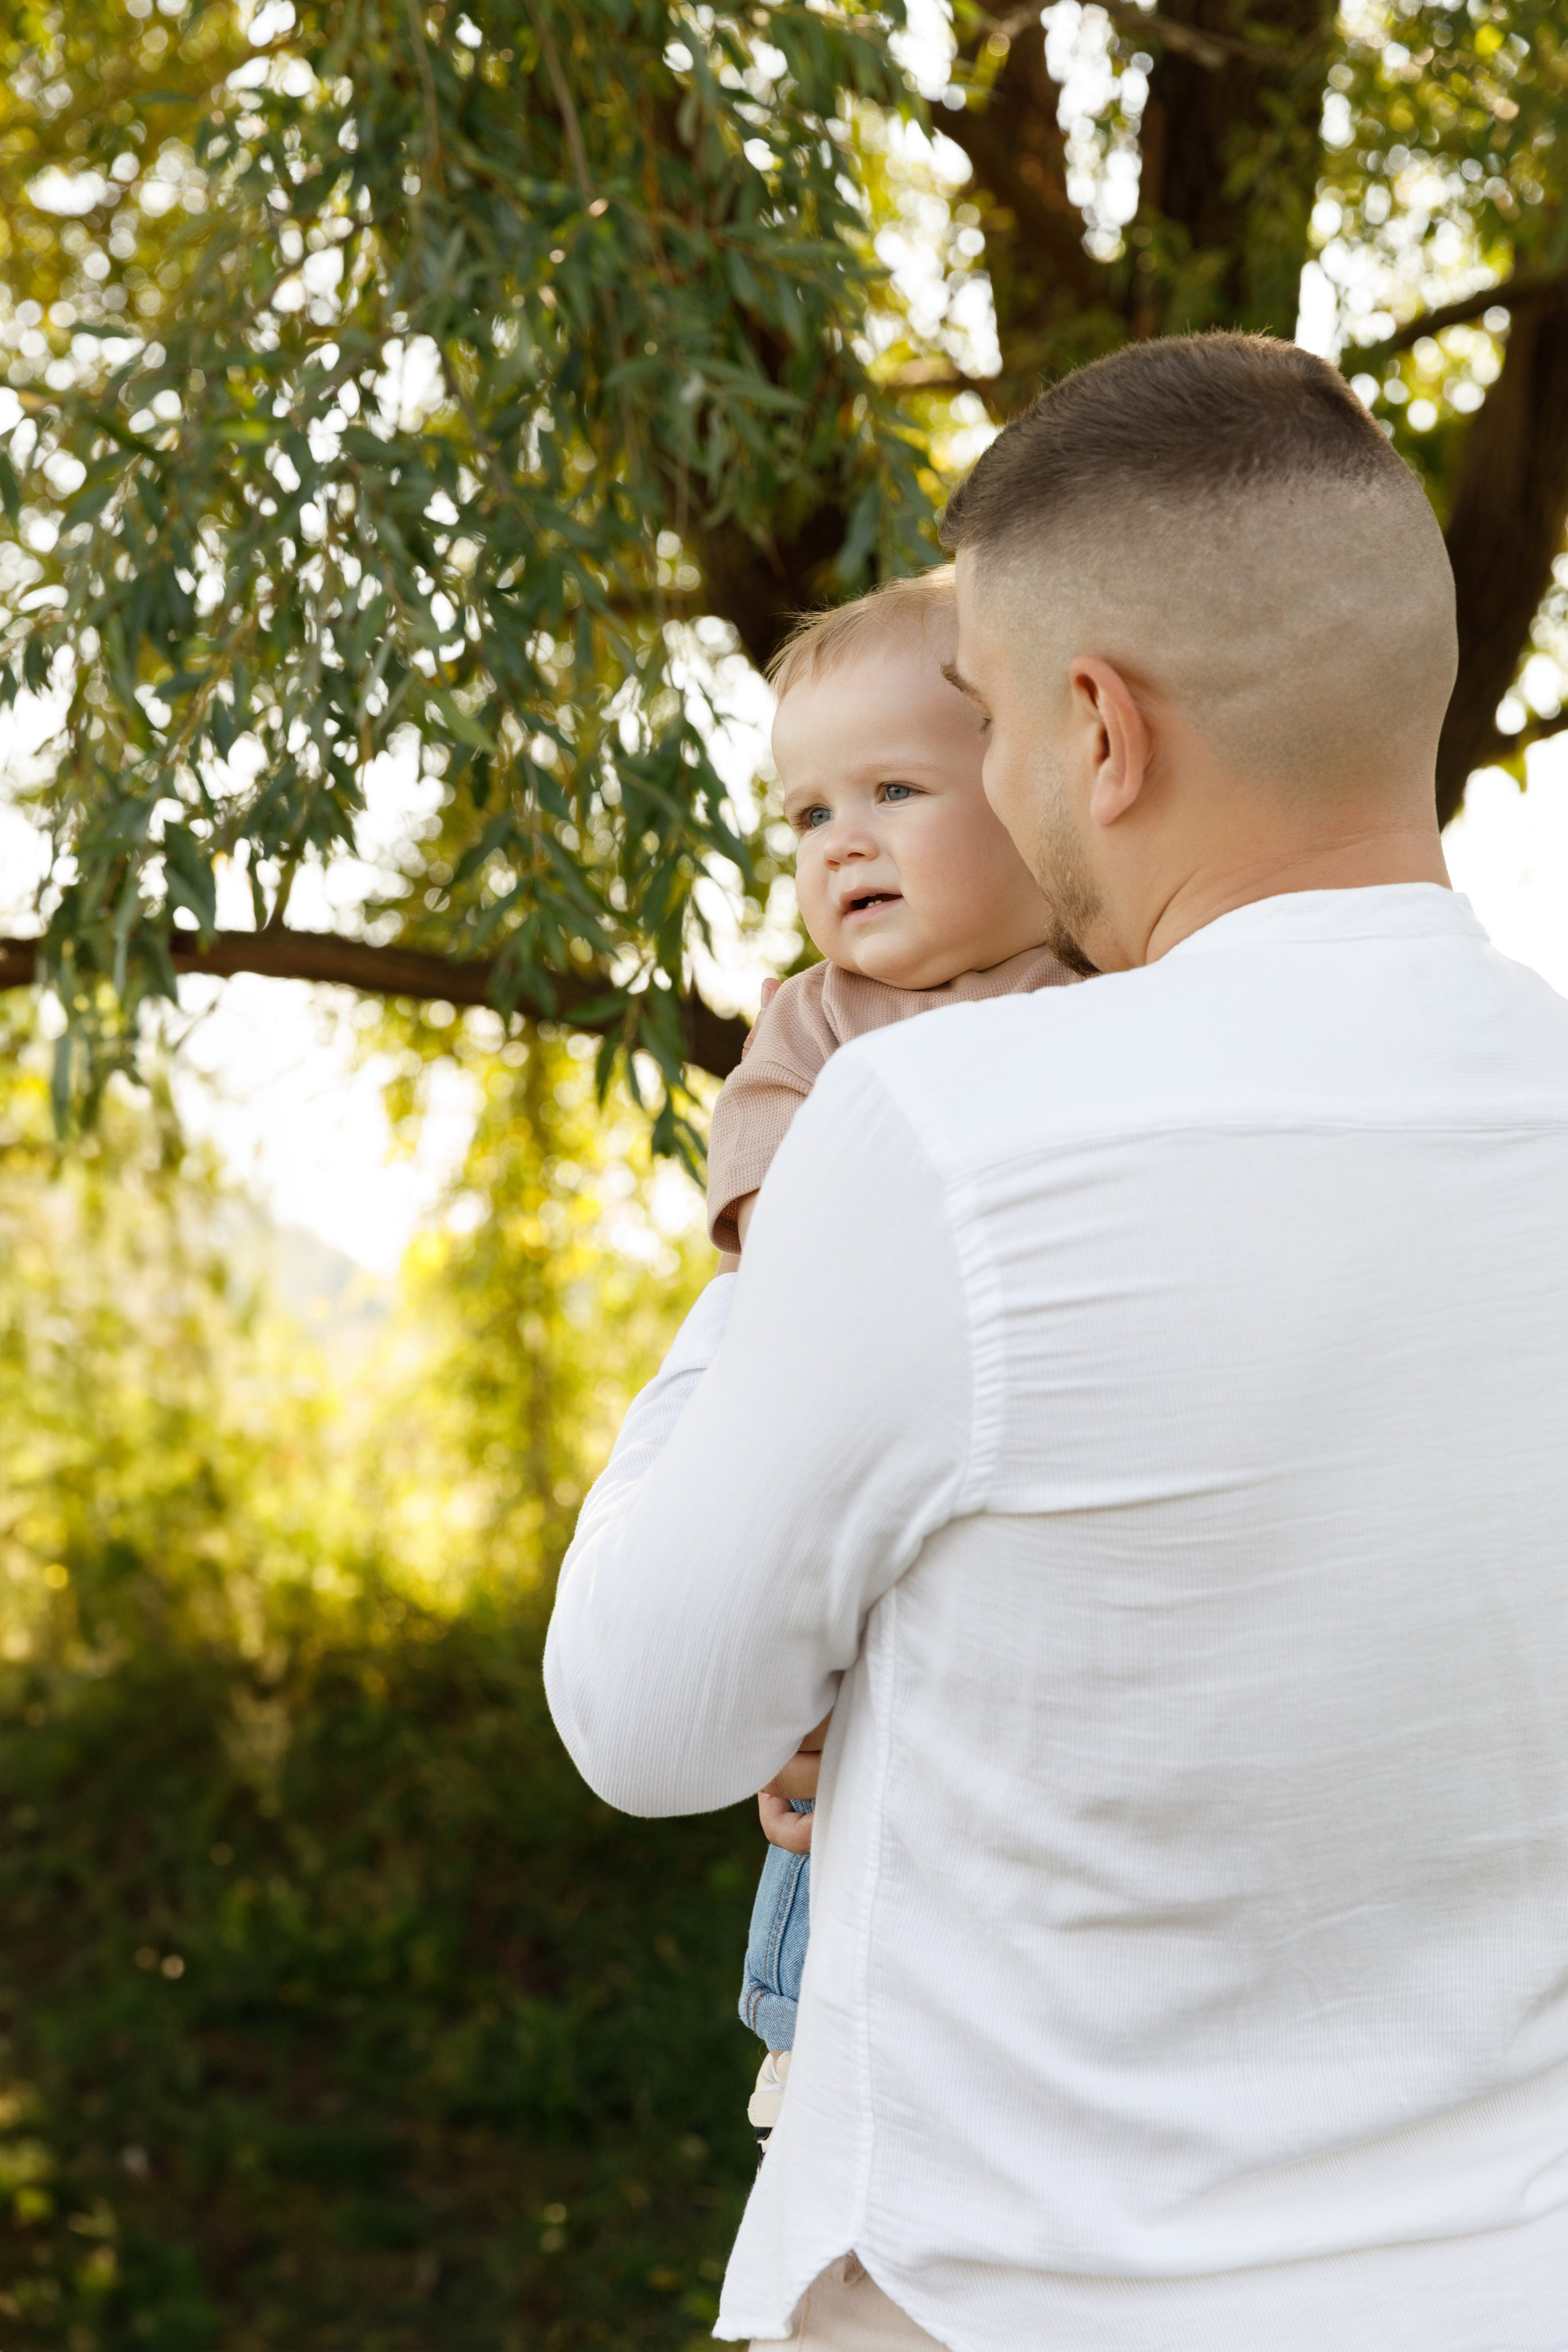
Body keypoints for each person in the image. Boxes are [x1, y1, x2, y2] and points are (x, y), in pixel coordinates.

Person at [546, 333, 1568, 2352]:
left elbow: (647, 1720)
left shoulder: (937, 1136)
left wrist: (762, 1263)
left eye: (995, 722)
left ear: (1099, 729)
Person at [704, 570, 1078, 2149]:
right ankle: (816, 2066)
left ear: (1040, 787)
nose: (840, 842)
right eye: (806, 816)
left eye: (894, 792)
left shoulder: (1107, 988)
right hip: (857, 1466)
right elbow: (772, 1224)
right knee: (815, 1749)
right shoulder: (823, 1022)